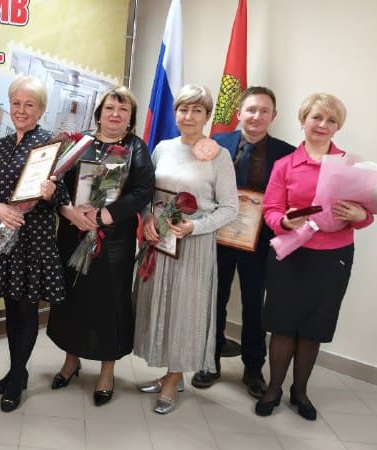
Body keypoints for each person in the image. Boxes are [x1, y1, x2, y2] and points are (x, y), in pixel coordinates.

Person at [255, 93, 372, 420]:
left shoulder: (352, 165)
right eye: (316, 117)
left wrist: (360, 215)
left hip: (333, 259)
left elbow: (367, 213)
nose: (322, 125)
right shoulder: (285, 165)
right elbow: (271, 210)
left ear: (338, 127)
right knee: (282, 326)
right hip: (290, 254)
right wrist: (284, 222)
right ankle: (273, 389)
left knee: (313, 328)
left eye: (331, 120)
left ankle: (300, 391)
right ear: (303, 120)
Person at [47, 86, 154, 406]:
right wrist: (70, 212)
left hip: (114, 240)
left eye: (123, 110)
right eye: (109, 108)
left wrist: (104, 216)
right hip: (74, 233)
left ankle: (107, 370)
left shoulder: (136, 148)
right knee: (72, 298)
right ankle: (71, 361)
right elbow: (57, 183)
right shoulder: (80, 143)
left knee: (110, 304)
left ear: (131, 118)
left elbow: (143, 191)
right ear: (99, 113)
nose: (115, 114)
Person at [134, 84, 238, 414]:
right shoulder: (162, 148)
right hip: (160, 242)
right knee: (162, 306)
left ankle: (175, 377)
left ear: (207, 116)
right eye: (183, 109)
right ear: (175, 113)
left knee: (184, 310)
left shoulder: (219, 156)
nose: (189, 116)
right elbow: (146, 193)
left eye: (197, 110)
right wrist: (148, 217)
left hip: (193, 246)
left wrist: (195, 227)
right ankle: (169, 372)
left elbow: (230, 208)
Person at [191, 87, 295, 398]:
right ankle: (210, 361)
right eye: (250, 109)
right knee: (214, 300)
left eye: (264, 111)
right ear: (239, 113)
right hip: (217, 237)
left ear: (273, 116)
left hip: (259, 242)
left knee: (254, 307)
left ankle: (253, 368)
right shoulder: (215, 143)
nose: (256, 116)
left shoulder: (286, 154)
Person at [0, 75, 68, 412]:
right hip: (5, 237)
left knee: (27, 308)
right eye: (16, 103)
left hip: (34, 239)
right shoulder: (2, 145)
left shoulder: (49, 145)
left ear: (41, 110)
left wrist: (51, 192)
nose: (21, 110)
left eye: (29, 104)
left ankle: (16, 378)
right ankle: (17, 370)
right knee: (11, 307)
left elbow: (62, 196)